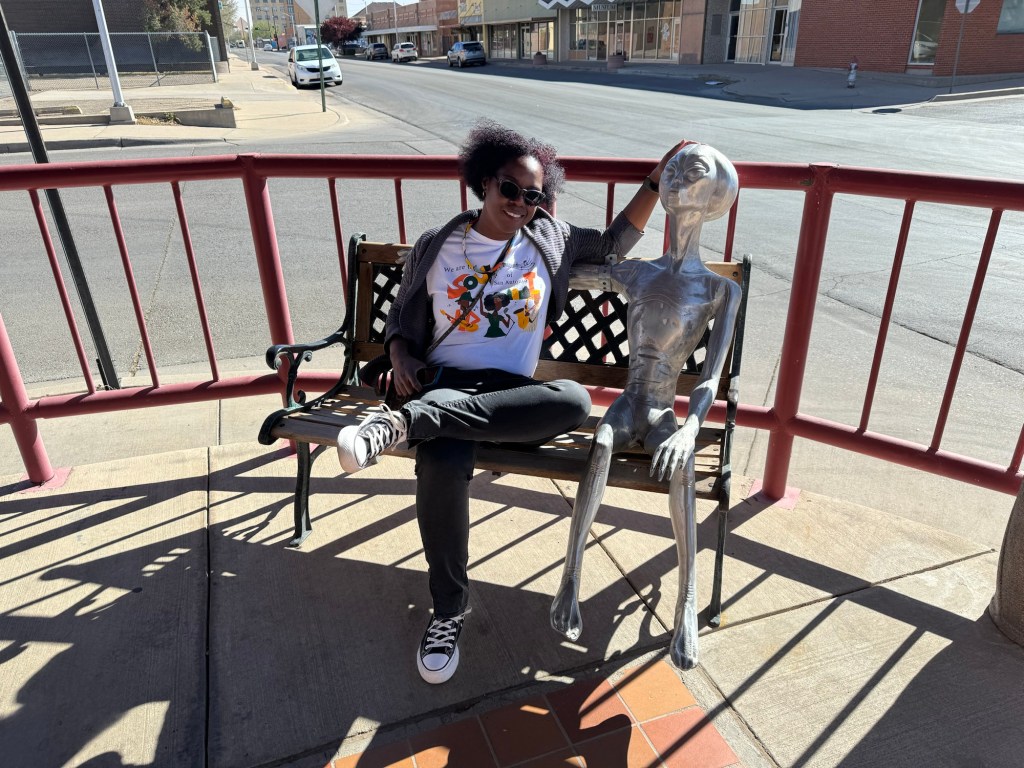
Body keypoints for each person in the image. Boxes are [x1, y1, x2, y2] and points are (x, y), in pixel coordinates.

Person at [337, 120, 683, 684]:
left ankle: (403, 423)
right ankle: (448, 610)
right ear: (484, 182)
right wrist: (398, 356)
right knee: (441, 460)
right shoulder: (437, 243)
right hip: (448, 386)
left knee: (572, 399)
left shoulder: (551, 238)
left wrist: (654, 180)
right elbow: (400, 317)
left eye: (534, 195)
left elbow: (615, 242)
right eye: (510, 188)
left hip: (513, 399)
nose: (521, 202)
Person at [549, 141, 741, 671]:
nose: (676, 178)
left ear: (716, 193)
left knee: (683, 466)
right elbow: (572, 272)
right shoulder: (636, 272)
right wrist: (535, 240)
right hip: (629, 402)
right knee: (601, 442)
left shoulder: (720, 291)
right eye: (672, 169)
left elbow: (711, 378)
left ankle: (686, 601)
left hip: (663, 413)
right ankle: (570, 577)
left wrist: (691, 429)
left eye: (692, 170)